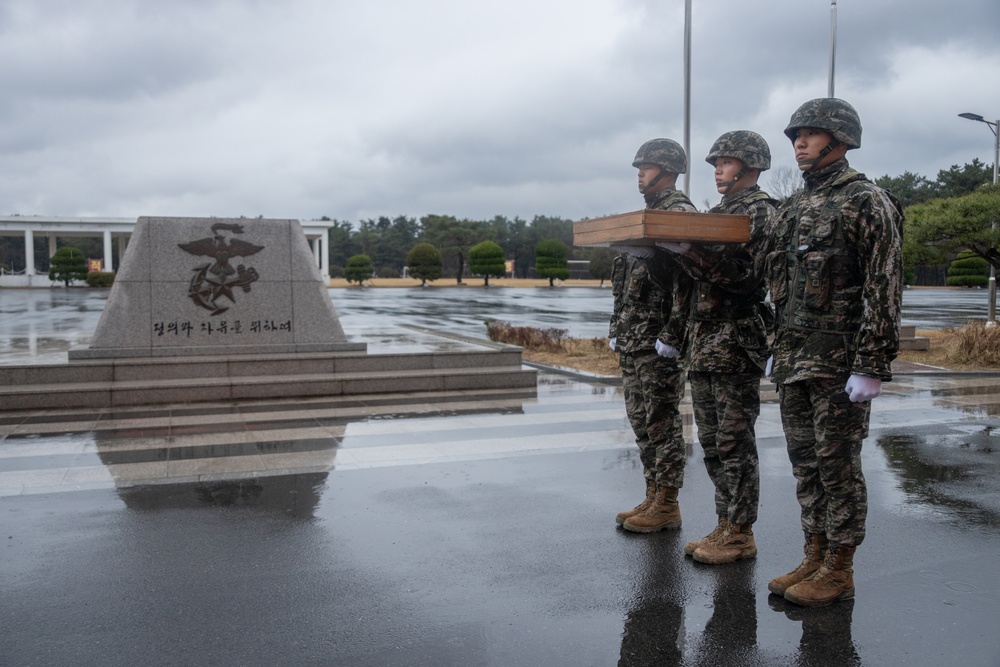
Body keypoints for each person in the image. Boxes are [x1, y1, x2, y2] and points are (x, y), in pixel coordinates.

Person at [763, 98, 903, 606]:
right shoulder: (794, 207)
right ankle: (815, 551)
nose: (799, 141)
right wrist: (779, 343)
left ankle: (840, 567)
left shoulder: (867, 201)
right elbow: (781, 283)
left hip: (840, 363)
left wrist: (872, 364)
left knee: (837, 465)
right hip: (797, 356)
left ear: (840, 139)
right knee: (805, 464)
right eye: (795, 134)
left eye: (811, 133)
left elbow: (883, 286)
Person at [658, 131, 778, 565]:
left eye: (725, 163)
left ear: (749, 166)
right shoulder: (717, 213)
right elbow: (693, 284)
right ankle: (725, 522)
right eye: (715, 164)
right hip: (704, 342)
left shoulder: (762, 211)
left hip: (734, 341)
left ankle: (741, 531)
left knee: (733, 442)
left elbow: (745, 279)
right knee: (711, 442)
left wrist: (688, 250)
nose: (717, 171)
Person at [610, 137, 696, 534]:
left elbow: (686, 283)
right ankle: (652, 493)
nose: (640, 174)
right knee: (641, 421)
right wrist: (616, 329)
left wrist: (674, 334)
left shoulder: (679, 215)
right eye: (639, 168)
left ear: (669, 170)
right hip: (633, 337)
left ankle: (667, 503)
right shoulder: (641, 218)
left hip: (658, 341)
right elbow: (622, 283)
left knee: (661, 422)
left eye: (646, 167)